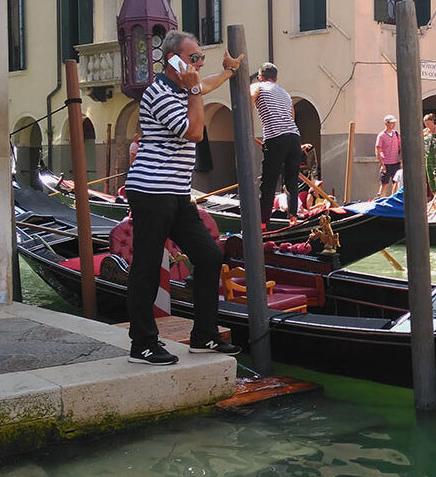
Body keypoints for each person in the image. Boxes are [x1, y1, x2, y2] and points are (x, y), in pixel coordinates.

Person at [124, 30, 244, 364]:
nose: (200, 63)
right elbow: (194, 132)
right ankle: (142, 344)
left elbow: (205, 85)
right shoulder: (159, 93)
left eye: (201, 57)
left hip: (176, 194)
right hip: (150, 191)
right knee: (147, 266)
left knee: (209, 255)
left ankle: (203, 336)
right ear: (173, 61)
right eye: (194, 58)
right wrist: (194, 89)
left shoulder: (183, 89)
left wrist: (229, 71)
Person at [251, 62, 305, 227]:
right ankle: (293, 219)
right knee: (291, 181)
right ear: (276, 78)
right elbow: (291, 116)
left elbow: (248, 102)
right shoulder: (285, 93)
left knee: (268, 182)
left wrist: (244, 129)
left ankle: (262, 224)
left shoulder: (257, 86)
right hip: (294, 137)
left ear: (260, 77)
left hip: (275, 137)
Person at [374, 114, 402, 198]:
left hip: (396, 162)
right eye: (391, 123)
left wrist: (401, 160)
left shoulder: (396, 134)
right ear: (386, 123)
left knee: (395, 183)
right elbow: (378, 150)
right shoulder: (381, 135)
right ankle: (381, 199)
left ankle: (395, 200)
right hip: (386, 163)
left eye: (393, 123)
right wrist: (382, 164)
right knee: (384, 183)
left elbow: (400, 147)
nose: (393, 124)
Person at [423, 113, 436, 198]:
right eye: (425, 124)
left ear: (433, 121)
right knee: (430, 178)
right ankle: (434, 197)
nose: (427, 126)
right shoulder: (424, 131)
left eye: (428, 123)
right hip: (427, 156)